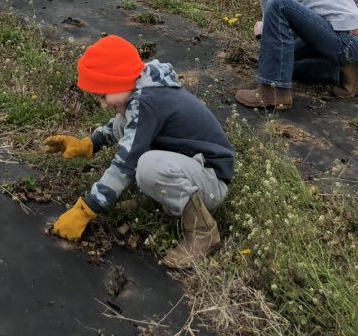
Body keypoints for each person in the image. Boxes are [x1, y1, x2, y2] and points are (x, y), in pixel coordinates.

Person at [45, 34, 233, 269]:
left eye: (103, 95)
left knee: (147, 166)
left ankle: (203, 232)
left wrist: (86, 209)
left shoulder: (147, 103)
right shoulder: (144, 88)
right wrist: (90, 143)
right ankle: (162, 199)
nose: (103, 104)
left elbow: (124, 164)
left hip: (211, 180)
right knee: (127, 123)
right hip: (192, 167)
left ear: (119, 80)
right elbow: (123, 126)